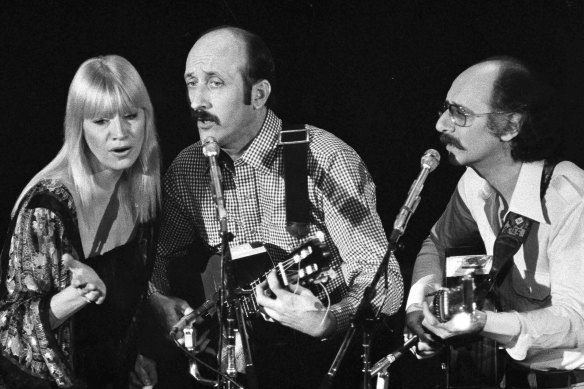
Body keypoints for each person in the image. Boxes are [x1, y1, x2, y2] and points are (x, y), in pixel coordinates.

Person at [147, 26, 404, 388]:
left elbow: (386, 280)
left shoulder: (325, 159)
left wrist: (328, 320)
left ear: (259, 93)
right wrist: (159, 300)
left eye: (215, 83)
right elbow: (157, 257)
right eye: (192, 83)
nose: (197, 102)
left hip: (313, 371)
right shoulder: (188, 168)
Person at [405, 56, 584, 388]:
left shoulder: (571, 198)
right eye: (445, 109)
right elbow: (437, 243)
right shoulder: (473, 185)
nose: (442, 125)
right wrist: (418, 306)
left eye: (460, 113)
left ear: (511, 126)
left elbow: (578, 325)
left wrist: (483, 322)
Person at [0, 55, 160, 388]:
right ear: (80, 127)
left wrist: (129, 358)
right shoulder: (47, 208)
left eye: (131, 116)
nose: (120, 133)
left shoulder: (141, 191)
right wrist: (75, 296)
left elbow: (116, 309)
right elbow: (9, 331)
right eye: (101, 121)